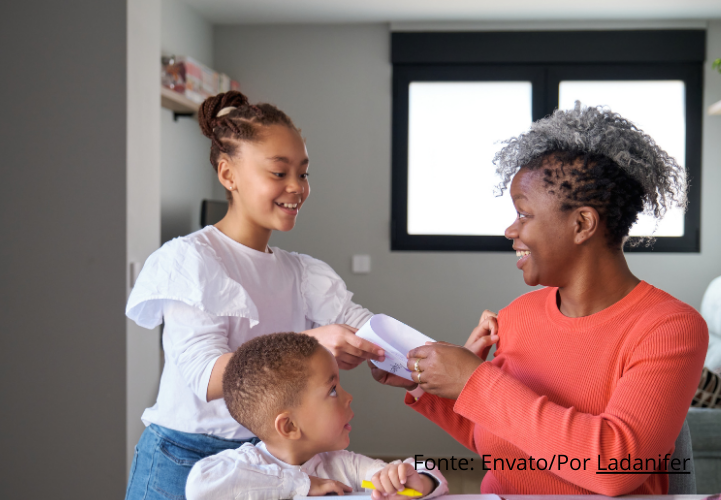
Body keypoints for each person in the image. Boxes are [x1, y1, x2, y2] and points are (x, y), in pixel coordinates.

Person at [371, 103, 708, 496]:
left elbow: (617, 465)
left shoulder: (669, 328)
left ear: (582, 224)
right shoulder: (520, 316)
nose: (510, 230)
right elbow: (501, 440)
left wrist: (474, 380)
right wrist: (430, 379)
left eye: (523, 214)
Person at [124, 91, 385, 500]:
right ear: (228, 175)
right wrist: (312, 341)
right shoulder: (192, 259)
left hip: (266, 462)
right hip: (186, 458)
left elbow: (364, 326)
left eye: (304, 173)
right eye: (279, 173)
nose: (297, 187)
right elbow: (205, 376)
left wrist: (437, 356)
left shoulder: (300, 272)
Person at [185, 332, 448, 500]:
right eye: (333, 390)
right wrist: (301, 484)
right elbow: (201, 486)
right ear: (289, 426)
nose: (349, 396)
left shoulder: (342, 466)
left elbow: (419, 474)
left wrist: (418, 481)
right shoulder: (244, 467)